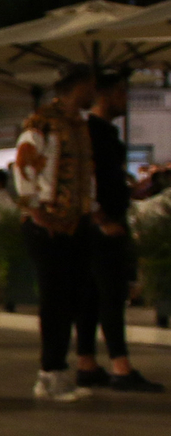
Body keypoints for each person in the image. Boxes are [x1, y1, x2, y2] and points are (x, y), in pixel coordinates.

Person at [12, 66, 99, 402]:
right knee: (56, 298)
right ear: (79, 87)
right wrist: (35, 210)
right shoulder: (43, 122)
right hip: (47, 224)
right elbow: (23, 163)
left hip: (74, 222)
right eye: (92, 87)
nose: (95, 94)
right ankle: (49, 374)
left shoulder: (78, 125)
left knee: (73, 296)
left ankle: (58, 370)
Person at [76, 74, 161, 392]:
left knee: (91, 295)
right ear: (107, 95)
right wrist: (101, 217)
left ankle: (88, 362)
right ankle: (120, 366)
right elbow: (87, 177)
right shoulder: (96, 134)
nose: (126, 100)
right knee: (111, 294)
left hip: (96, 223)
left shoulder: (97, 132)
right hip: (103, 224)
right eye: (122, 93)